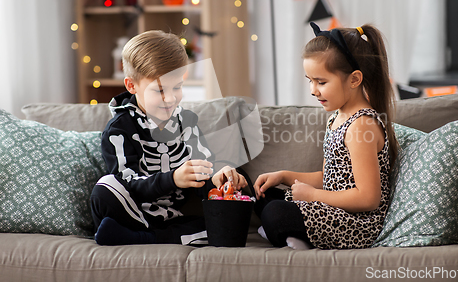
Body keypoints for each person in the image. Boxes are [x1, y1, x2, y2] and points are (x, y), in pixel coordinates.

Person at [91, 30, 247, 246]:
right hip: (131, 211)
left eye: (178, 87)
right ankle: (142, 235)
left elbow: (204, 170)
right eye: (160, 90)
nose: (171, 98)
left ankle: (141, 239)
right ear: (131, 86)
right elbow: (127, 181)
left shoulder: (187, 122)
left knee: (228, 222)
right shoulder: (119, 129)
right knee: (105, 187)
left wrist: (217, 176)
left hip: (173, 219)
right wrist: (173, 178)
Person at [253, 22, 398, 250]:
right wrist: (284, 176)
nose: (313, 90)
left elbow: (368, 198)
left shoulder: (361, 125)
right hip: (331, 209)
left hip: (355, 224)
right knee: (264, 195)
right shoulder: (337, 117)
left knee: (275, 213)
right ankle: (295, 236)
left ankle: (294, 238)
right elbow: (331, 178)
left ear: (354, 79)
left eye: (321, 82)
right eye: (310, 81)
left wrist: (312, 196)